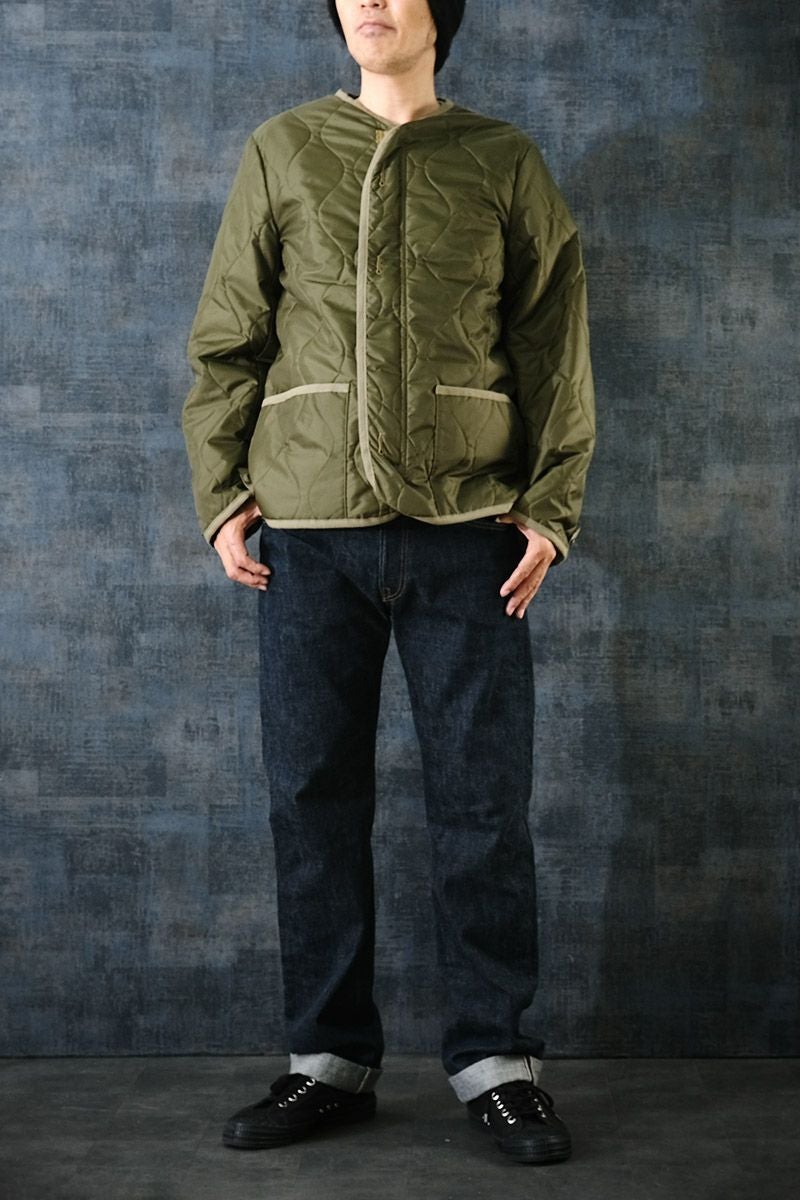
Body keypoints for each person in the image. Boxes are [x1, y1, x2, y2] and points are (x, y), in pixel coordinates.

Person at [181, 0, 595, 1166]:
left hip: (470, 533)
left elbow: (552, 342)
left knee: (481, 806)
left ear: (436, 14)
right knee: (310, 799)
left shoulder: (500, 158)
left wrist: (550, 508)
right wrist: (221, 492)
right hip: (306, 535)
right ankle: (327, 1060)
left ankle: (496, 1062)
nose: (369, 0)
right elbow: (228, 335)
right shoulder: (284, 148)